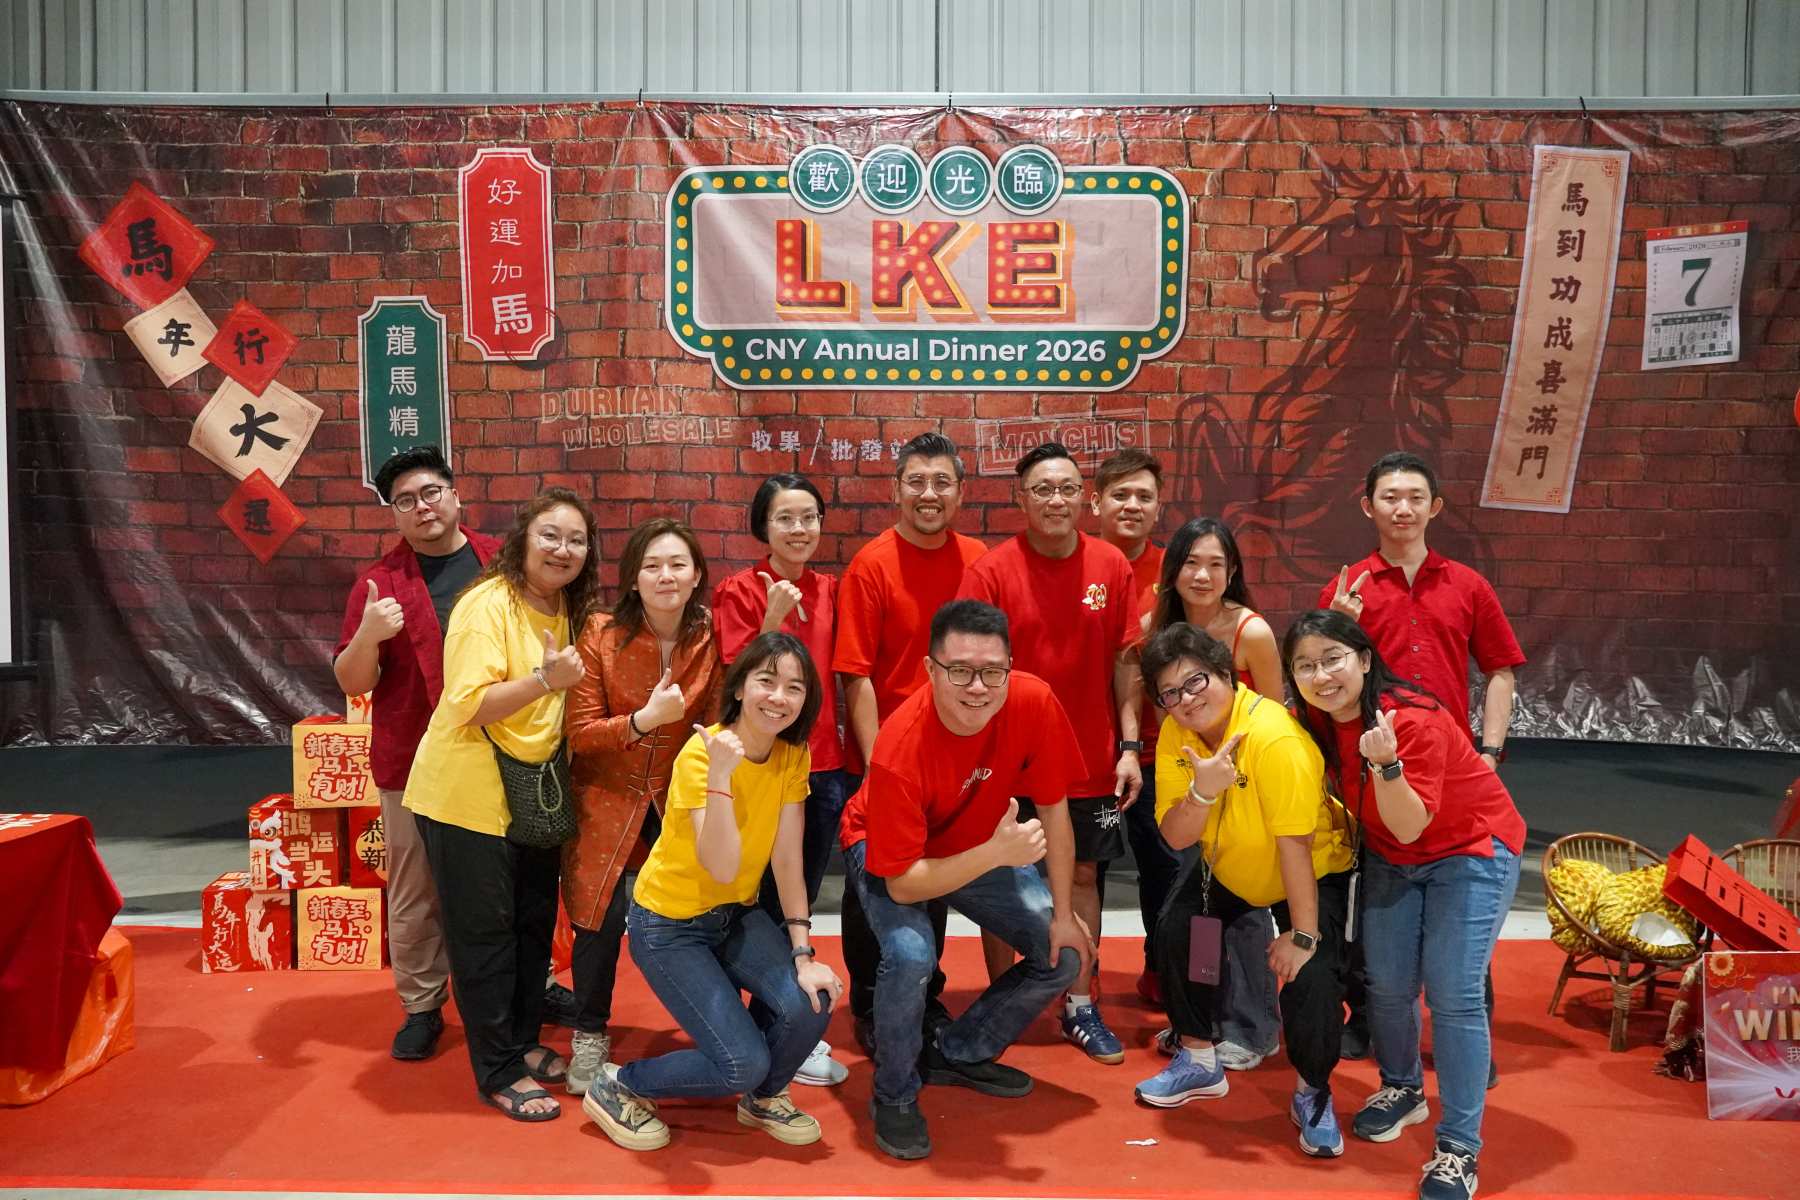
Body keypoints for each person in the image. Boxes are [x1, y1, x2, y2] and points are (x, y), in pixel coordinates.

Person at [1284, 610, 1524, 1200]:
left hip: (1470, 849)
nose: (1321, 676)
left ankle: (1459, 1148)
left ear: (1365, 660)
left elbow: (1410, 824)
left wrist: (1386, 765)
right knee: (1387, 985)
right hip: (1393, 856)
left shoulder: (1411, 719)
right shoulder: (1311, 719)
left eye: (1333, 659)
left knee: (1454, 994)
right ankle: (1403, 1087)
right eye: (1305, 665)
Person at [840, 600, 1088, 1160]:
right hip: (889, 849)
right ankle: (894, 1093)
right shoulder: (899, 746)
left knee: (1066, 954)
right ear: (930, 670)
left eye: (992, 671)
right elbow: (904, 885)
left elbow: (1055, 810)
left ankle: (957, 1051)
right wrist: (995, 854)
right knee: (910, 957)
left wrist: (1065, 915)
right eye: (960, 671)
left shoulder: (1033, 700)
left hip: (978, 842)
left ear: (1009, 668)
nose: (977, 687)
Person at [582, 632, 842, 1152]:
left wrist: (804, 954)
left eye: (794, 687)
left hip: (732, 914)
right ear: (740, 687)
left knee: (813, 1001)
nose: (779, 697)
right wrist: (722, 775)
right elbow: (721, 867)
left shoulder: (791, 755)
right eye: (766, 681)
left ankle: (763, 1098)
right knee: (740, 1062)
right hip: (668, 926)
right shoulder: (702, 756)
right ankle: (620, 1084)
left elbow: (787, 860)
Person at [1319, 451, 1525, 1075]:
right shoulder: (1348, 587)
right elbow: (1323, 672)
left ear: (1434, 507)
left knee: (1462, 919)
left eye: (1414, 497)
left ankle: (1466, 1038)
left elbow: (1500, 672)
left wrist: (1490, 750)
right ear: (1368, 507)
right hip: (1371, 765)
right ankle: (1371, 1023)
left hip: (1449, 770)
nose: (1402, 508)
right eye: (1389, 497)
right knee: (1375, 899)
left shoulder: (1468, 585)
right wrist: (1340, 625)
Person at [403, 487, 600, 1120]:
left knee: (532, 924)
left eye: (576, 540)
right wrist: (545, 680)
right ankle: (496, 1068)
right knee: (484, 935)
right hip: (466, 795)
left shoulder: (569, 606)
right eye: (550, 535)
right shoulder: (486, 603)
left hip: (532, 794)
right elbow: (468, 704)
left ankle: (521, 1040)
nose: (562, 549)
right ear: (522, 539)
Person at [1135, 621, 1354, 1160]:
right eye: (1170, 693)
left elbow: (1294, 845)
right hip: (1231, 866)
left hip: (1307, 870)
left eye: (1195, 682)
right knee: (1183, 929)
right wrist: (1203, 792)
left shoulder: (1274, 737)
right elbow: (1175, 835)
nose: (1186, 700)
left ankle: (1313, 1091)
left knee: (1312, 975)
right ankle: (1199, 1057)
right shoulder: (1177, 734)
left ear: (1225, 674)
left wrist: (1303, 936)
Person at [957, 441, 1139, 1064]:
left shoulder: (1111, 565)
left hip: (1088, 756)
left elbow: (1125, 661)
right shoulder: (991, 572)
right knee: (1000, 879)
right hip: (1005, 761)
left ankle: (1080, 1004)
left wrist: (1130, 745)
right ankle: (1001, 1005)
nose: (1055, 500)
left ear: (1083, 497)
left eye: (1065, 488)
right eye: (1041, 489)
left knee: (1082, 876)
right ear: (1021, 499)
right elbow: (970, 672)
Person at [333, 446, 498, 1062]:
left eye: (431, 492)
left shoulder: (501, 562)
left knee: (505, 883)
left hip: (499, 751)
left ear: (455, 495)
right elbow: (353, 681)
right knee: (415, 889)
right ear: (394, 515)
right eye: (405, 501)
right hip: (414, 759)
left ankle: (525, 987)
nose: (422, 507)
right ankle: (423, 1006)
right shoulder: (378, 584)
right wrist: (369, 634)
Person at [833, 432, 987, 1055]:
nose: (929, 494)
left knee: (934, 882)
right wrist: (881, 767)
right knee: (874, 887)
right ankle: (871, 1004)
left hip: (952, 765)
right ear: (896, 489)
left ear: (960, 492)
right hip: (883, 764)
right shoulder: (870, 565)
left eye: (941, 482)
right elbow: (857, 675)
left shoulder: (977, 560)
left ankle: (926, 998)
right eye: (916, 481)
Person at [560, 518, 723, 1097]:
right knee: (598, 920)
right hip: (605, 797)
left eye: (678, 564)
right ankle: (589, 1033)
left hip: (678, 798)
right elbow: (580, 734)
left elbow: (719, 720)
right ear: (632, 579)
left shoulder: (712, 636)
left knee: (703, 912)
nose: (665, 576)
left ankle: (719, 1028)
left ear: (697, 575)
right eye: (651, 566)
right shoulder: (600, 634)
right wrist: (642, 721)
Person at [713, 474, 856, 1087]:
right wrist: (771, 618)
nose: (799, 529)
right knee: (746, 902)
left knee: (795, 899)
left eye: (809, 517)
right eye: (785, 519)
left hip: (821, 768)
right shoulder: (739, 590)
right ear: (762, 527)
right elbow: (733, 677)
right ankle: (740, 1028)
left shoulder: (833, 590)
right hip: (756, 769)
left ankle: (778, 1027)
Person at [1145, 516, 1284, 1071]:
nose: (1202, 575)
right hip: (1192, 788)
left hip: (1248, 792)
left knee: (1244, 916)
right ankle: (1204, 1019)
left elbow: (1276, 715)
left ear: (1232, 573)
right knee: (1199, 915)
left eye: (1215, 564)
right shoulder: (1159, 627)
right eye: (1191, 563)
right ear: (1172, 571)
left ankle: (1253, 1028)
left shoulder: (1252, 632)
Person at [1087, 449, 1182, 1011]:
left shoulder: (1179, 572)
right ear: (1095, 501)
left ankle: (1171, 975)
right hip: (1089, 756)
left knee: (1171, 874)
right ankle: (1083, 981)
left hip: (1165, 756)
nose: (1132, 505)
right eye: (1120, 494)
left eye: (1144, 496)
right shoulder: (1076, 564)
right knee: (1084, 875)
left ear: (1158, 506)